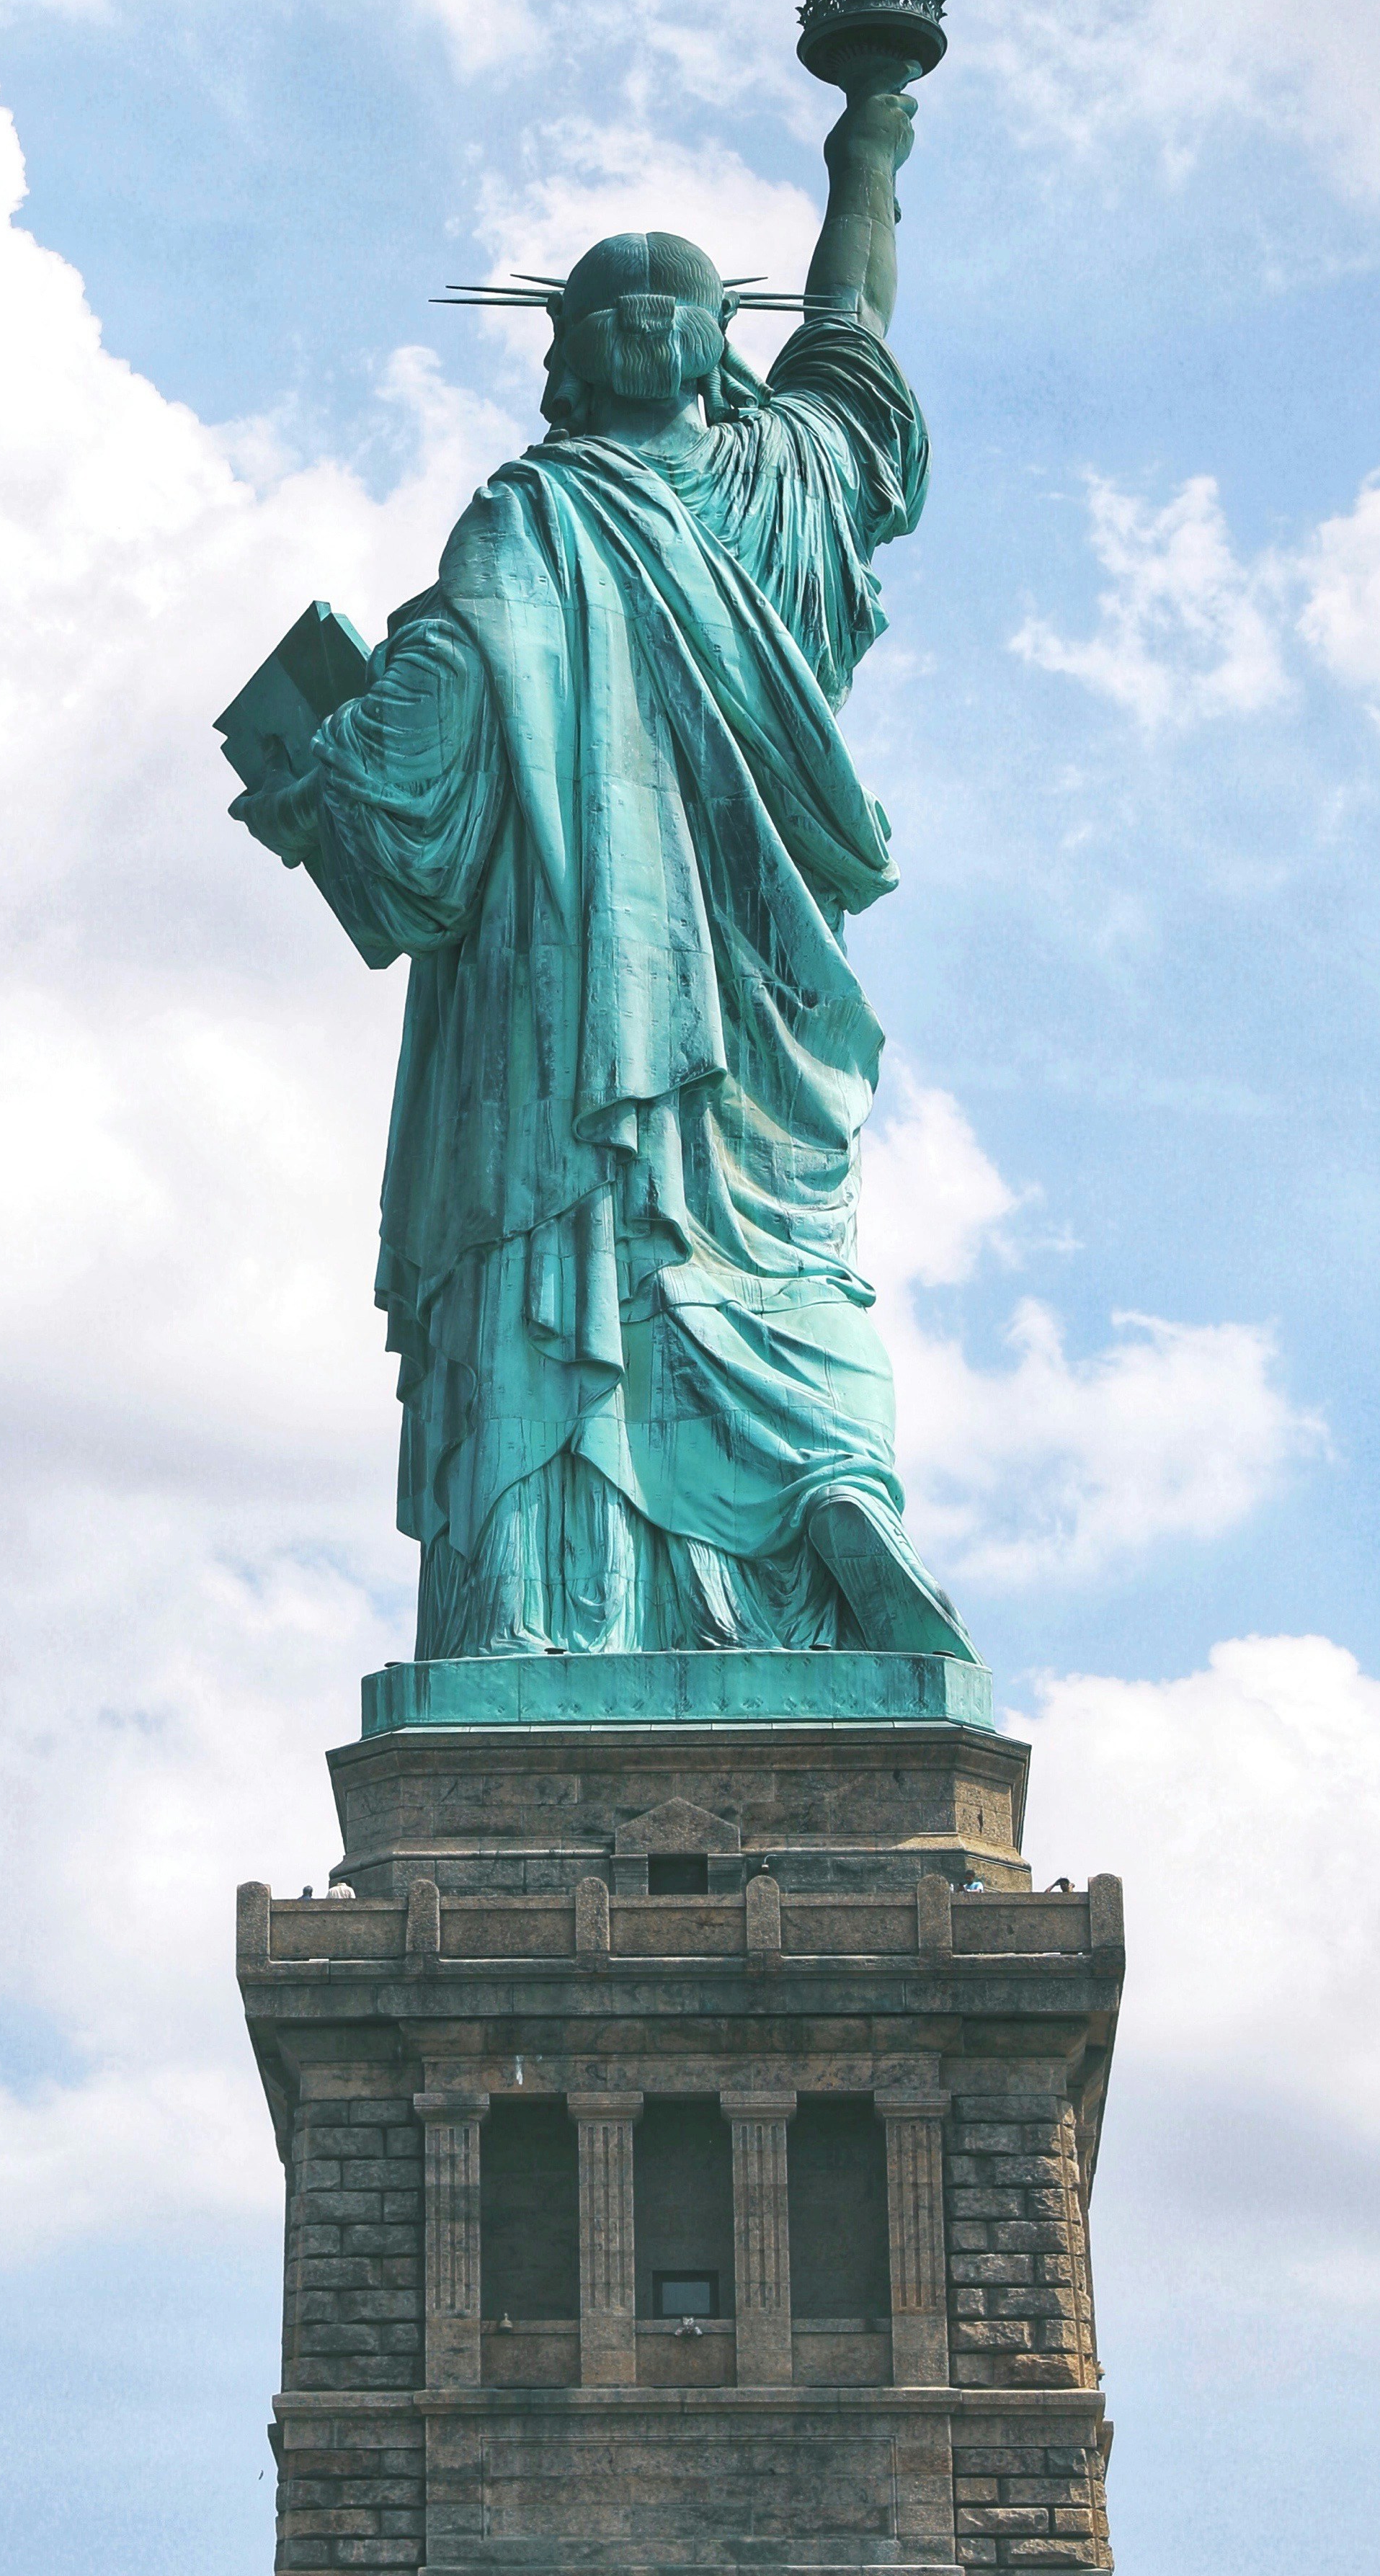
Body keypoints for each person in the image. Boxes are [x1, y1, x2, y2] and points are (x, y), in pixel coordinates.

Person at [232, 114, 969, 1664]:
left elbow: (414, 774)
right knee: (766, 1257)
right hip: (751, 995)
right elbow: (853, 340)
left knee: (562, 1237)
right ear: (707, 355)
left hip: (558, 1002)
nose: (642, 327)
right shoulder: (781, 494)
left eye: (650, 309)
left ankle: (536, 1607)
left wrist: (320, 771)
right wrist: (873, 124)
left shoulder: (530, 516)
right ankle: (820, 1487)